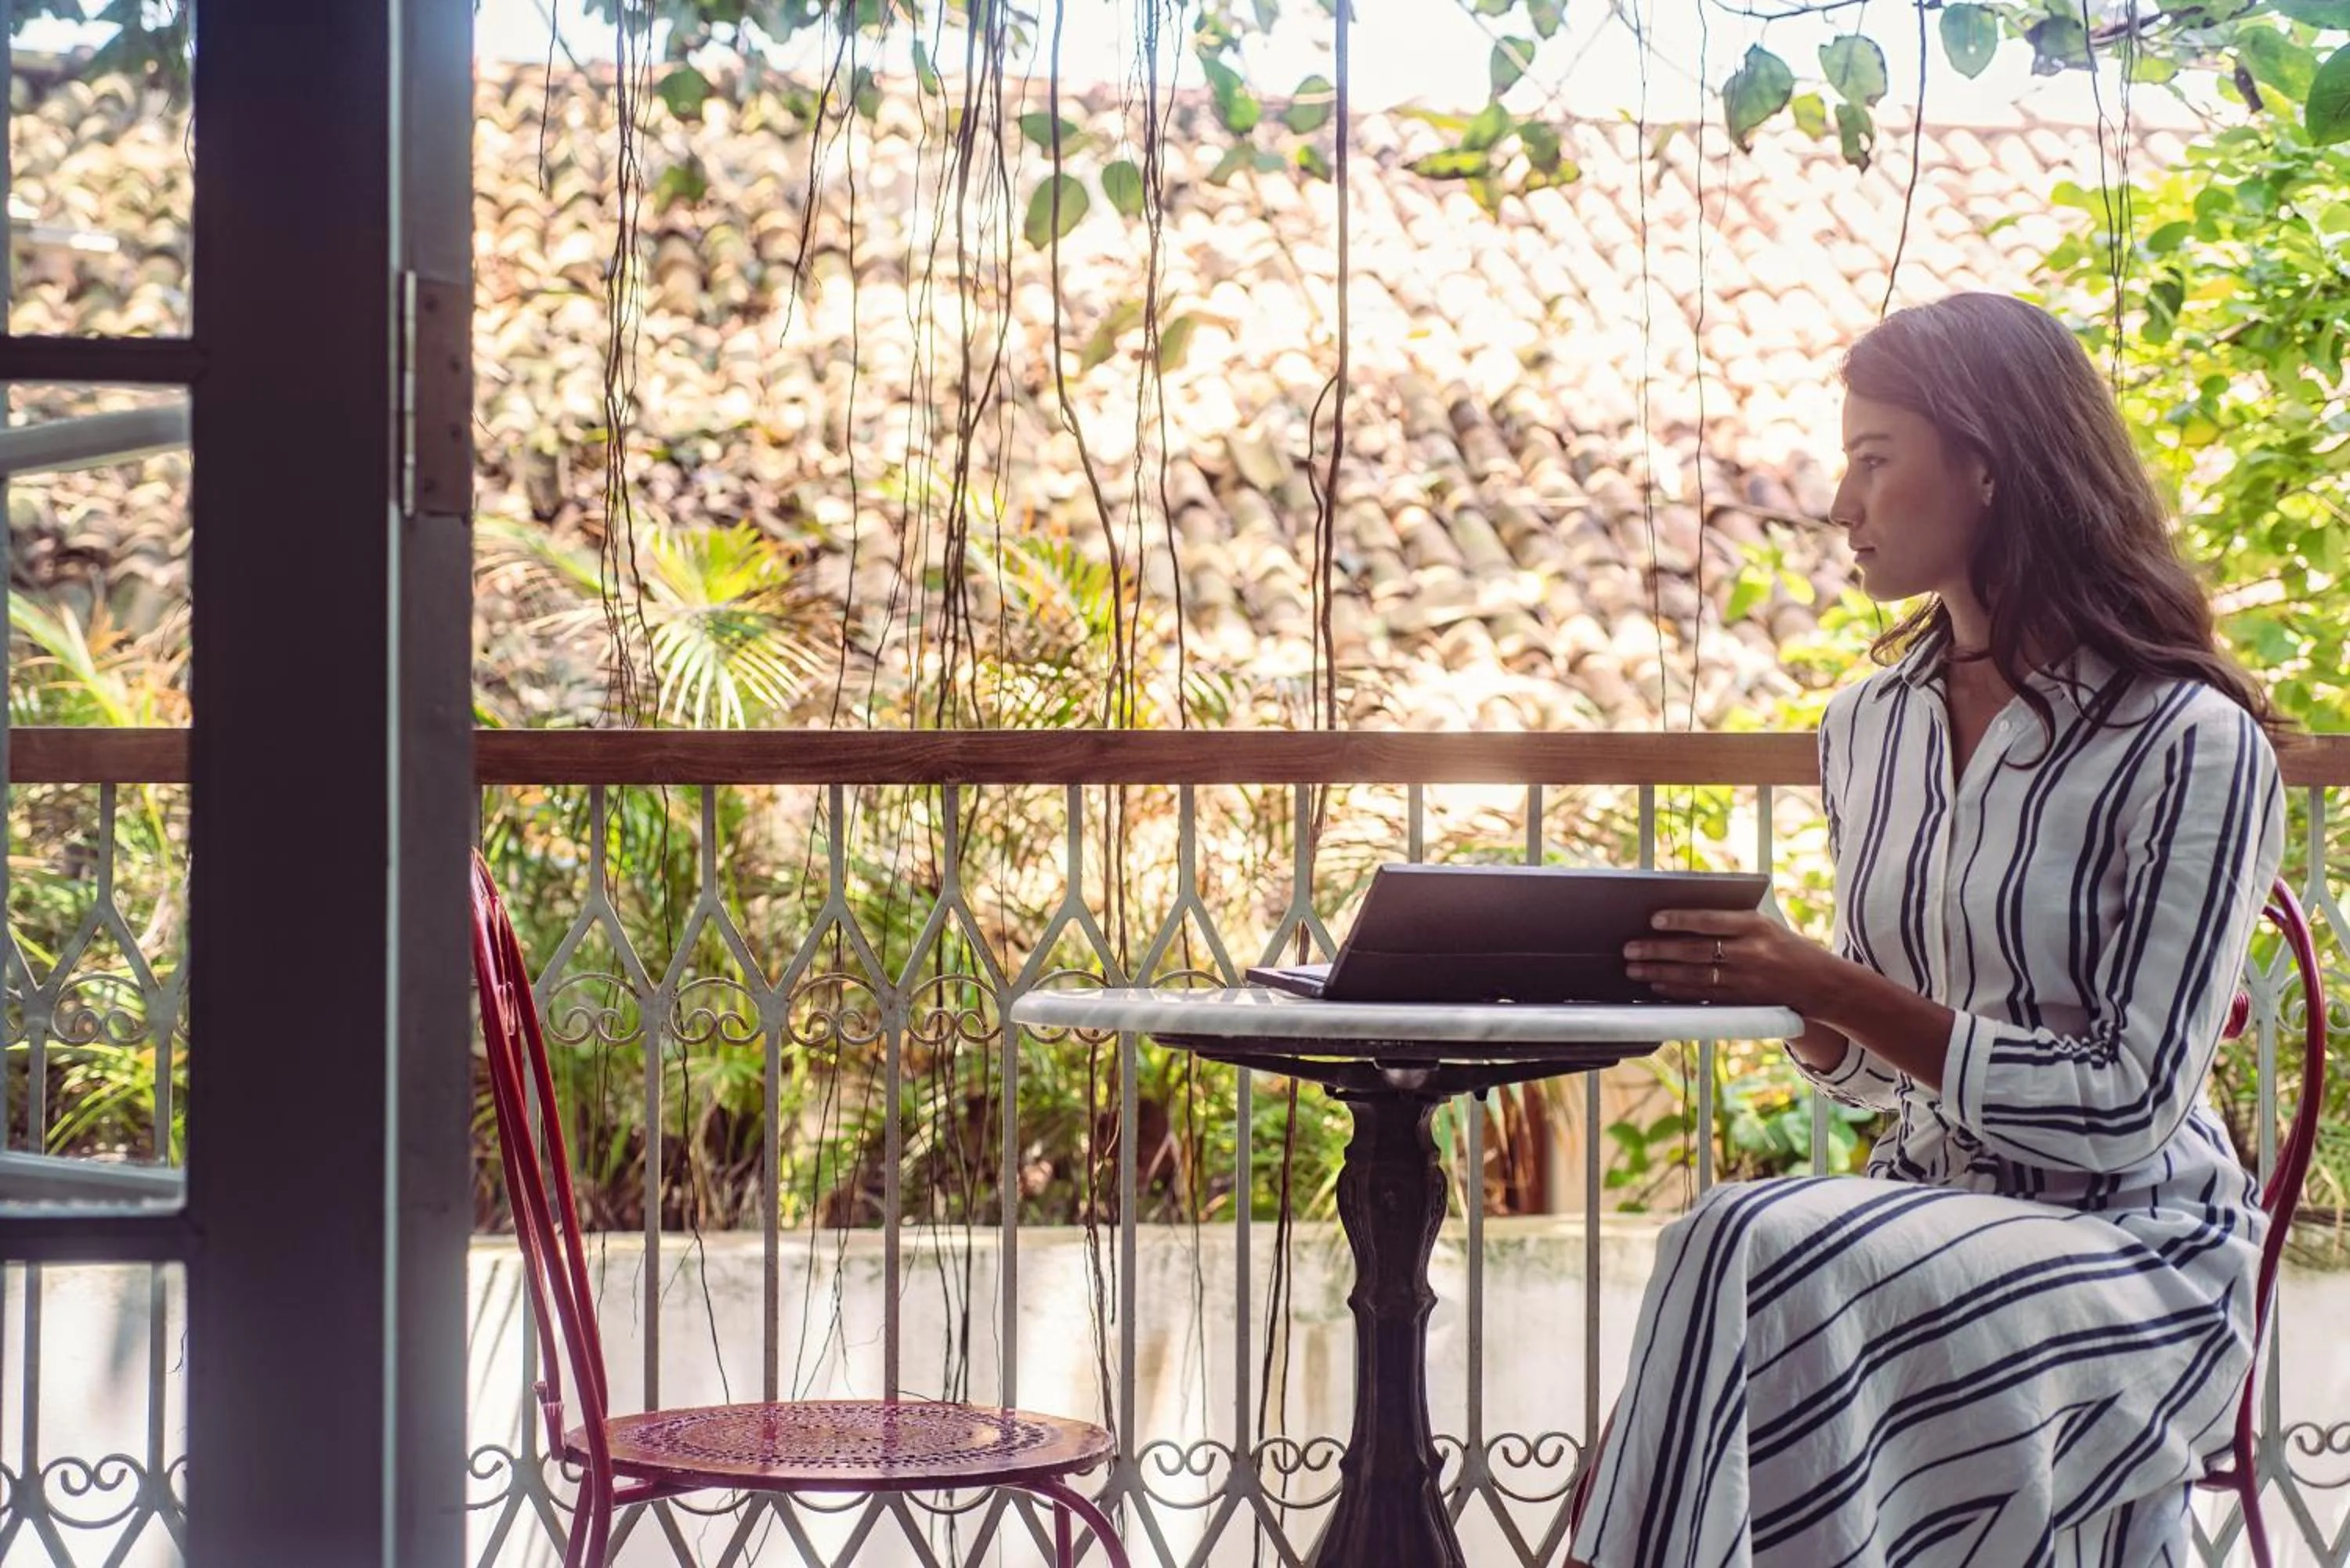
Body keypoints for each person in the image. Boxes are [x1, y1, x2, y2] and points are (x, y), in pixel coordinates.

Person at [1565, 292, 2298, 1567]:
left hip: (2134, 1252)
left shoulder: (2191, 740)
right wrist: (1793, 997)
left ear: (1988, 464)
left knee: (1746, 1242)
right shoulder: (1869, 726)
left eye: (1872, 459)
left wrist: (1834, 985)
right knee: (1754, 1264)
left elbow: (2129, 1099)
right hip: (1927, 1212)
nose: (1838, 505)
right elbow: (1871, 1074)